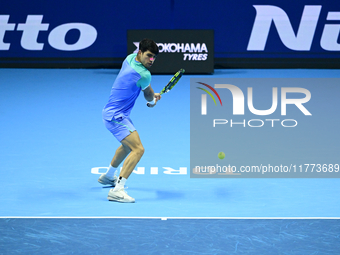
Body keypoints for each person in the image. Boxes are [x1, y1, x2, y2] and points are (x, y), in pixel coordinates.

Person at [99, 38, 160, 203]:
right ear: (140, 52)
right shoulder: (144, 74)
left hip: (114, 113)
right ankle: (117, 190)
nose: (151, 60)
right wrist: (153, 100)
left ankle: (108, 176)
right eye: (149, 56)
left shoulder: (130, 58)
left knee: (127, 146)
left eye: (154, 57)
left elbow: (146, 89)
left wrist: (152, 94)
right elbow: (148, 96)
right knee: (138, 149)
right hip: (116, 117)